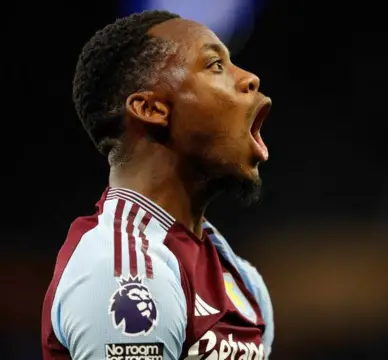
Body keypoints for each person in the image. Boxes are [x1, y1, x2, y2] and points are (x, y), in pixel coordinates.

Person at [41, 10, 274, 360]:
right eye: (215, 65)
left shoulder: (243, 281)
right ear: (151, 109)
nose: (250, 79)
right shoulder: (124, 274)